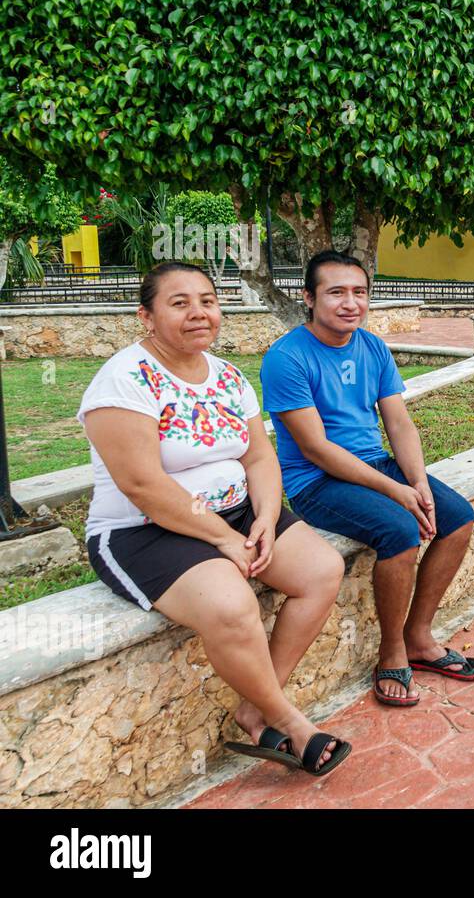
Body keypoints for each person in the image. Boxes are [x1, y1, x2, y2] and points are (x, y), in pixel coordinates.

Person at [78, 261, 351, 776]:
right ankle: (289, 722)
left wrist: (267, 518)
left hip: (237, 511)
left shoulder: (227, 375)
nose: (199, 313)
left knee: (321, 571)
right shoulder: (123, 379)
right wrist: (224, 539)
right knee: (231, 605)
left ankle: (256, 705)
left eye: (207, 300)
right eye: (179, 303)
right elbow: (143, 486)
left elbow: (259, 458)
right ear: (147, 316)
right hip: (145, 530)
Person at [260, 250, 474, 707]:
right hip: (316, 482)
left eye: (359, 292)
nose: (350, 303)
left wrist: (417, 481)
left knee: (458, 518)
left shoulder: (373, 347)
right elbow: (315, 448)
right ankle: (392, 652)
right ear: (309, 298)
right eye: (336, 292)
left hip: (375, 463)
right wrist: (394, 490)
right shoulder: (286, 358)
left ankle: (419, 636)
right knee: (400, 531)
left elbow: (399, 423)